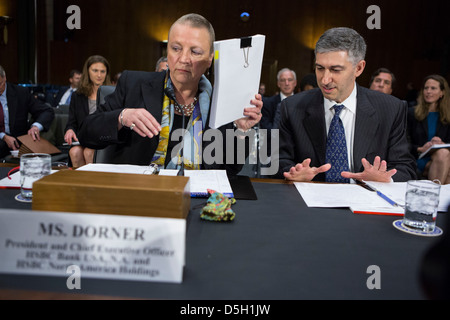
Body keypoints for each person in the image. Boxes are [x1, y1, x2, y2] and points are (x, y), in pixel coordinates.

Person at [78, 13, 262, 174]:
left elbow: (230, 169)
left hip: (198, 199)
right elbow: (87, 133)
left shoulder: (221, 102)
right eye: (176, 48)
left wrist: (241, 131)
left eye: (195, 52)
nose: (183, 59)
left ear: (209, 59)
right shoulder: (133, 83)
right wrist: (122, 117)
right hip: (139, 193)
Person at [278, 27, 416, 183]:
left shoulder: (391, 109)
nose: (324, 79)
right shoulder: (291, 107)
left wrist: (385, 179)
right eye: (320, 68)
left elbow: (406, 168)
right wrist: (292, 173)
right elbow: (277, 163)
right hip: (309, 200)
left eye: (335, 70)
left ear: (359, 68)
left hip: (366, 200)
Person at [64, 55, 112, 167]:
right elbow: (72, 122)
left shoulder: (112, 95)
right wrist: (70, 130)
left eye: (102, 71)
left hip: (105, 139)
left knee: (89, 152)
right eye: (95, 71)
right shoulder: (77, 95)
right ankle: (80, 183)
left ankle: (94, 183)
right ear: (88, 72)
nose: (99, 75)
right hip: (84, 138)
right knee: (74, 152)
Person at [0, 65, 55, 158]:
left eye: (0, 83)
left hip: (19, 142)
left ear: (5, 78)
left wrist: (36, 127)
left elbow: (46, 111)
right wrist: (3, 136)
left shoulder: (20, 92)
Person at [407, 74, 450, 184]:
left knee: (443, 154)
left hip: (441, 157)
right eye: (426, 88)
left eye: (433, 88)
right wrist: (420, 148)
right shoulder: (411, 113)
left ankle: (433, 196)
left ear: (442, 93)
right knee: (445, 160)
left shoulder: (447, 116)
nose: (428, 91)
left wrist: (442, 143)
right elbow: (403, 142)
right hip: (418, 158)